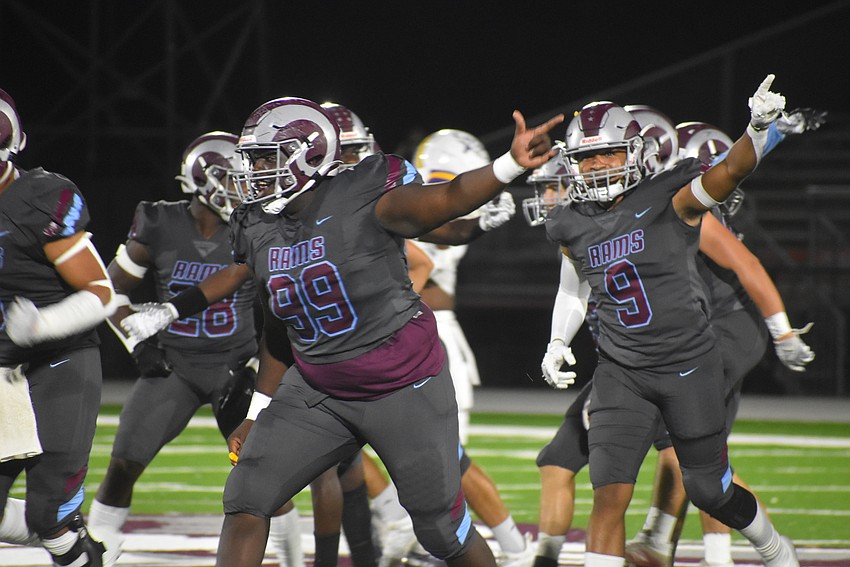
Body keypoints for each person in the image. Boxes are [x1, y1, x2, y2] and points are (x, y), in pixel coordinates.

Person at [120, 96, 562, 567]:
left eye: (264, 159)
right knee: (247, 496)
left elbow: (447, 201)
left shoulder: (364, 193)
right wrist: (259, 410)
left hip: (402, 387)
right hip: (319, 392)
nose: (250, 172)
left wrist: (509, 164)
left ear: (305, 155)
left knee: (440, 533)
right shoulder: (257, 225)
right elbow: (277, 324)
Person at [526, 105, 820, 567]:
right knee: (608, 495)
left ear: (635, 152)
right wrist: (557, 342)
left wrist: (759, 129)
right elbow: (572, 291)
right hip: (621, 372)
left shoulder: (671, 197)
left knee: (710, 489)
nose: (595, 166)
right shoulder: (571, 222)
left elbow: (731, 169)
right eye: (585, 158)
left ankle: (773, 547)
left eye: (606, 154)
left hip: (689, 365)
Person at [362, 129, 531, 567]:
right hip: (410, 335)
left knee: (450, 465)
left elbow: (428, 251)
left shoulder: (432, 217)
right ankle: (404, 526)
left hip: (427, 336)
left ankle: (511, 549)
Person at [0, 87, 120, 566]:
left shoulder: (38, 197)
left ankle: (73, 545)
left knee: (50, 510)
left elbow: (102, 293)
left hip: (58, 359)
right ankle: (70, 542)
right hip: (2, 370)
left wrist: (43, 323)